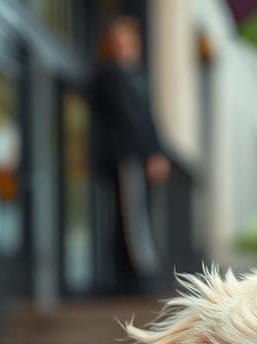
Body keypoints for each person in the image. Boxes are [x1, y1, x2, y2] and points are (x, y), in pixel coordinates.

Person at [90, 16, 169, 295]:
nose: (127, 48)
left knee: (133, 214)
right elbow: (131, 119)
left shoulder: (135, 77)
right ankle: (135, 277)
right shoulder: (111, 74)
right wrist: (151, 153)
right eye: (120, 43)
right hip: (127, 156)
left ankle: (134, 274)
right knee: (131, 217)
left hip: (137, 155)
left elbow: (147, 118)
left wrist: (156, 151)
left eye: (130, 42)